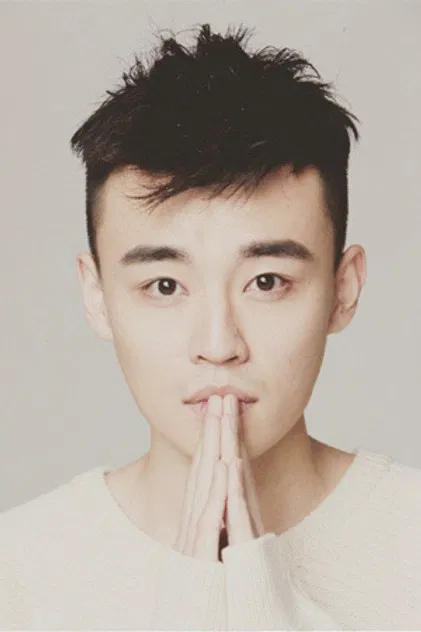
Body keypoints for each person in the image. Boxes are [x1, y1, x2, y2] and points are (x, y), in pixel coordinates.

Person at [1, 22, 420, 631]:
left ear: (343, 288)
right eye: (165, 286)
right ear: (97, 295)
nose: (219, 346)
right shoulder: (17, 574)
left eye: (267, 281)